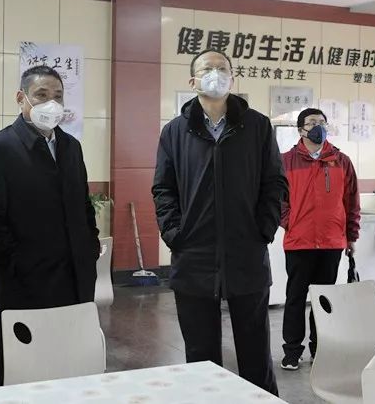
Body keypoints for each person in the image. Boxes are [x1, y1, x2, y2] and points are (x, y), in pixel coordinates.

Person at [152, 49, 287, 396]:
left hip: (246, 253)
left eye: (221, 68)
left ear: (232, 77)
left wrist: (263, 229)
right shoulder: (175, 131)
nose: (215, 73)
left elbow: (275, 182)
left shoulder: (257, 126)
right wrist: (174, 233)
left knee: (256, 353)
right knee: (200, 357)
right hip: (193, 256)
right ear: (192, 81)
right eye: (206, 69)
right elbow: (163, 188)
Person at [0, 65, 99, 386]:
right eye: (41, 95)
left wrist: (89, 248)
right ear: (21, 98)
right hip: (25, 284)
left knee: (72, 368)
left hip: (76, 280)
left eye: (58, 96)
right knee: (21, 371)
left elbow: (84, 205)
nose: (51, 104)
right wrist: (17, 263)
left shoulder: (71, 147)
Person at [279, 108, 360, 370]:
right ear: (300, 129)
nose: (318, 127)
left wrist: (351, 235)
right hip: (299, 242)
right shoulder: (285, 161)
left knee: (324, 299)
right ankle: (292, 351)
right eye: (312, 122)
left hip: (331, 242)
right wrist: (289, 222)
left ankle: (320, 349)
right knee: (295, 297)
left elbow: (351, 201)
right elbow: (276, 198)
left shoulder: (341, 161)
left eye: (322, 122)